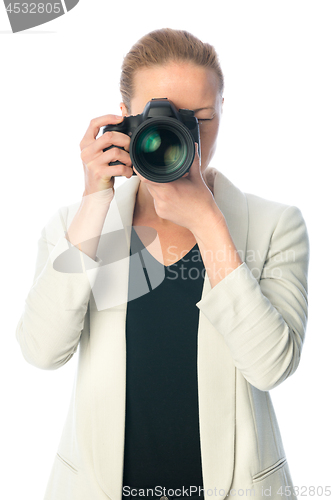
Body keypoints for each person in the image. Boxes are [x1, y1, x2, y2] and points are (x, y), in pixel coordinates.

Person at [16, 28, 309, 500]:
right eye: (161, 117)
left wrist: (209, 222)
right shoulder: (76, 224)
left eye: (200, 119)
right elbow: (41, 350)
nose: (183, 136)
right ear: (125, 118)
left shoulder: (276, 225)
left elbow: (271, 366)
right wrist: (95, 200)